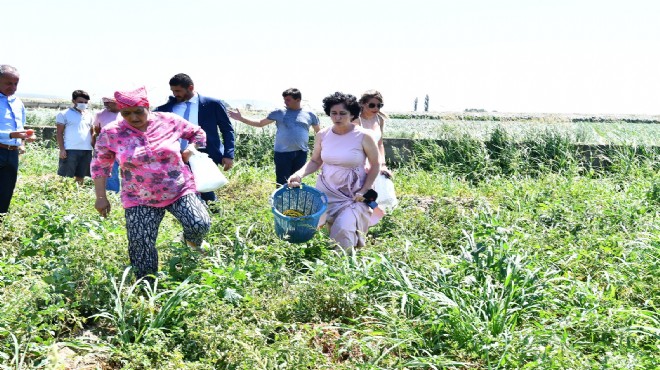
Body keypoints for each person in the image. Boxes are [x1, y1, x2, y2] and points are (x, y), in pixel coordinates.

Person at [91, 86, 211, 282]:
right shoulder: (111, 132)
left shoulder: (168, 120)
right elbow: (99, 166)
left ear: (147, 106)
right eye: (126, 113)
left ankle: (191, 243)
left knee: (199, 223)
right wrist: (101, 197)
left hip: (178, 189)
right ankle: (146, 288)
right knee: (141, 245)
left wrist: (191, 148)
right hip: (139, 197)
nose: (133, 118)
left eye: (139, 111)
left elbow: (197, 133)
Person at [287, 92, 379, 251]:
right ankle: (336, 264)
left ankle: (347, 264)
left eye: (343, 113)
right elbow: (315, 160)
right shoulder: (323, 135)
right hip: (328, 188)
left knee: (345, 227)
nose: (338, 117)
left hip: (354, 192)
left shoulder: (364, 136)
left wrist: (365, 190)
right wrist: (298, 174)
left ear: (352, 114)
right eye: (333, 113)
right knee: (333, 227)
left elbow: (375, 165)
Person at [155, 73, 235, 203]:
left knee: (205, 188)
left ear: (190, 88)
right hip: (176, 155)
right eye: (173, 91)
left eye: (178, 91)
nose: (175, 94)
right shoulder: (168, 107)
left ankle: (215, 216)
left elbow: (227, 130)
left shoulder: (212, 104)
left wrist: (228, 154)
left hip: (203, 153)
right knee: (182, 190)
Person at [229, 88, 320, 185]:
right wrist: (241, 118)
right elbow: (260, 123)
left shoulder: (310, 114)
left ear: (298, 100)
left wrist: (319, 150)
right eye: (284, 99)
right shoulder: (279, 112)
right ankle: (280, 200)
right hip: (282, 154)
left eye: (288, 100)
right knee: (282, 181)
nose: (285, 102)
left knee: (296, 181)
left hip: (301, 153)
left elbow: (319, 132)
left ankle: (294, 200)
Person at [0, 65, 36, 217]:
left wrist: (24, 138)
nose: (13, 87)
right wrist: (11, 135)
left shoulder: (17, 102)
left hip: (12, 153)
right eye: (9, 83)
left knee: (6, 191)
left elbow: (20, 127)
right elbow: (13, 132)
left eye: (16, 83)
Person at [56, 90, 94, 185]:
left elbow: (92, 133)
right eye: (80, 102)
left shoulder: (89, 115)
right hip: (70, 149)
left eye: (85, 102)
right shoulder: (64, 114)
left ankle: (77, 194)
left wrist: (95, 148)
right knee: (65, 176)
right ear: (73, 101)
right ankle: (63, 194)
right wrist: (62, 149)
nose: (83, 104)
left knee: (81, 176)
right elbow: (59, 133)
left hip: (86, 150)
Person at [353, 90, 391, 177]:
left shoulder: (380, 120)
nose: (376, 108)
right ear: (362, 104)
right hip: (359, 161)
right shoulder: (356, 120)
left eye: (379, 105)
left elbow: (380, 144)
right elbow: (353, 144)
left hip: (376, 161)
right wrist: (363, 164)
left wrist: (383, 165)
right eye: (372, 105)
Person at [92, 96, 121, 193]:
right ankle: (113, 193)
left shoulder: (126, 113)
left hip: (124, 148)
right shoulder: (100, 114)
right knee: (111, 172)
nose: (106, 105)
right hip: (108, 149)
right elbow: (97, 131)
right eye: (104, 102)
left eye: (109, 102)